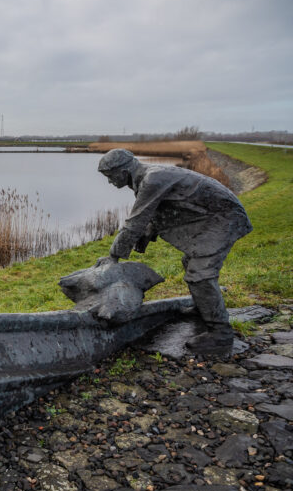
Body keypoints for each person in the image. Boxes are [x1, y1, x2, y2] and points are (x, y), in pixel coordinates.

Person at [96, 148, 252, 356]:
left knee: (200, 276)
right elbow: (158, 210)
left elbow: (135, 222)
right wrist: (146, 237)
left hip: (224, 218)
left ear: (122, 170)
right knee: (190, 263)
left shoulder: (153, 179)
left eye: (109, 176)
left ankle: (221, 334)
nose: (109, 182)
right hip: (212, 216)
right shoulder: (147, 177)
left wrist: (113, 256)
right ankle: (202, 308)